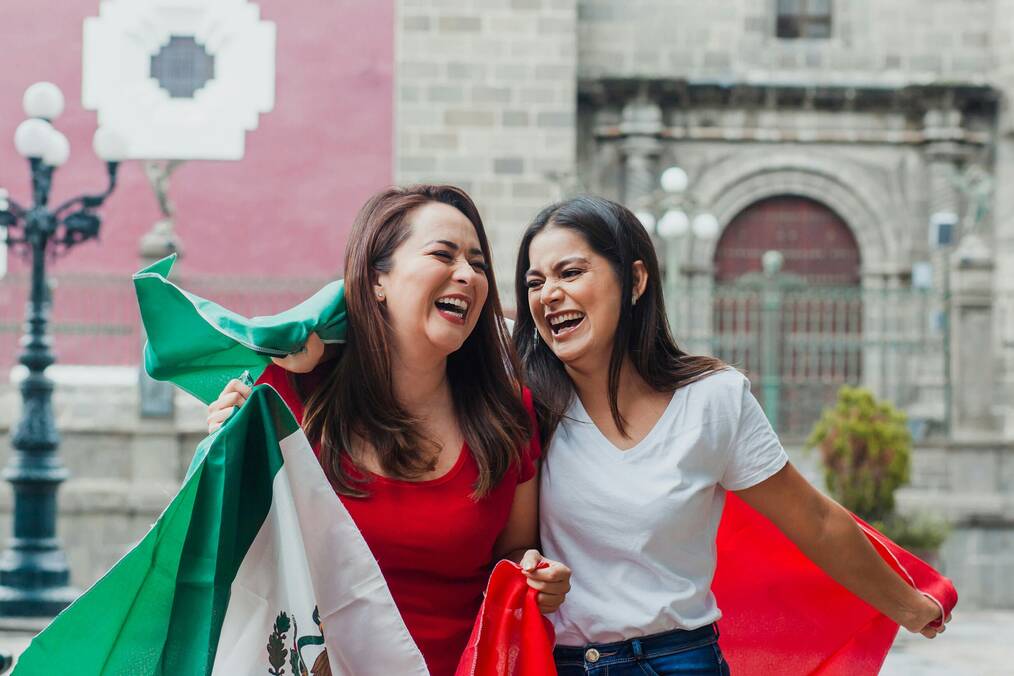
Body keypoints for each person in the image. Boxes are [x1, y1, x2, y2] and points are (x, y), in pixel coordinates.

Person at [512, 195, 950, 675]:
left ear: (635, 280)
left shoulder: (713, 400)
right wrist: (531, 572)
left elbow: (814, 519)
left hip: (680, 662)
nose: (547, 294)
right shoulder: (527, 403)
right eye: (535, 282)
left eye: (570, 273)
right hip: (561, 664)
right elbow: (509, 548)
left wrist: (908, 606)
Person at [206, 185, 571, 676]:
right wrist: (224, 445)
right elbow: (233, 551)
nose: (466, 274)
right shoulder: (291, 398)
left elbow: (513, 551)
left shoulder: (508, 412)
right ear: (377, 278)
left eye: (478, 263)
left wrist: (535, 575)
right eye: (443, 254)